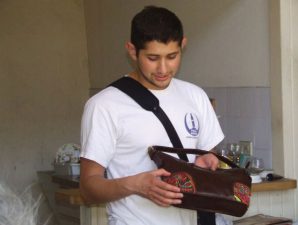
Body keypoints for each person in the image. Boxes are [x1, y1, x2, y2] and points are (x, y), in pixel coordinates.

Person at [80, 5, 224, 225]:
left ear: (183, 45)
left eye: (172, 56)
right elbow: (88, 188)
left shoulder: (195, 96)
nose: (163, 68)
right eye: (153, 58)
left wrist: (205, 163)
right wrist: (137, 185)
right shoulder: (104, 105)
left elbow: (206, 157)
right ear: (132, 50)